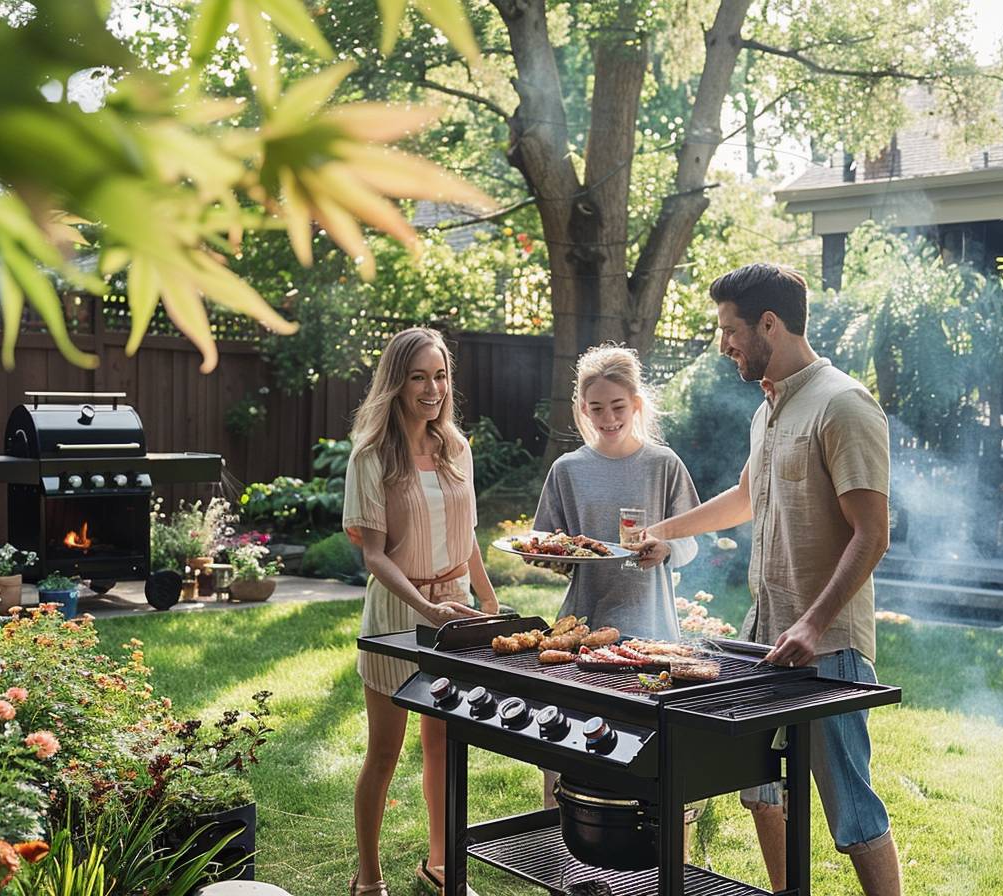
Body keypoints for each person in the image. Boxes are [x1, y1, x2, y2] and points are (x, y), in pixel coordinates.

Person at [638, 263, 902, 896]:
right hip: (765, 639)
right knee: (760, 791)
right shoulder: (768, 409)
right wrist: (663, 532)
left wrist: (813, 624)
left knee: (851, 811)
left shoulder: (843, 404)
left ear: (769, 324)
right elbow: (745, 497)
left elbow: (872, 533)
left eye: (730, 330)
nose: (723, 344)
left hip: (828, 647)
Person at [344, 327, 499, 896]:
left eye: (440, 376)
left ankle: (440, 863)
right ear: (397, 382)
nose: (432, 389)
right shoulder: (372, 456)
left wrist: (487, 599)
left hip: (454, 608)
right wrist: (425, 609)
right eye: (418, 377)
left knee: (445, 747)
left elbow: (467, 534)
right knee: (385, 751)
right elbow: (374, 555)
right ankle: (369, 875)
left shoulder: (457, 448)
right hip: (397, 612)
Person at [531, 344, 700, 824]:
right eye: (597, 408)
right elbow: (548, 544)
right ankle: (560, 844)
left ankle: (653, 848)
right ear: (583, 409)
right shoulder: (567, 470)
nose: (608, 418)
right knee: (567, 745)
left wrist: (668, 548)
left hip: (653, 630)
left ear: (637, 404)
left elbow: (692, 543)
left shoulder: (664, 465)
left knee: (649, 754)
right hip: (584, 629)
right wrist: (553, 559)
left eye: (618, 406)